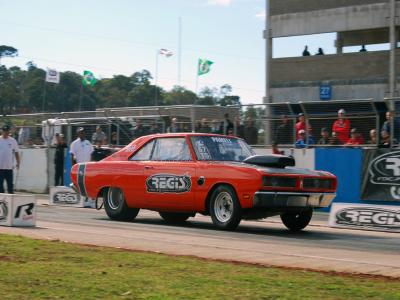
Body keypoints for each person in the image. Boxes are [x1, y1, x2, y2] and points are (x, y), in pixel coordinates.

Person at [0, 125, 20, 194]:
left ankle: (11, 202)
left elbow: (16, 152)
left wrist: (18, 163)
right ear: (1, 131)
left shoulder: (12, 140)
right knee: (0, 187)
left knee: (10, 186)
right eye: (4, 131)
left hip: (9, 168)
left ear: (9, 131)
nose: (6, 132)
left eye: (7, 131)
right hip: (0, 168)